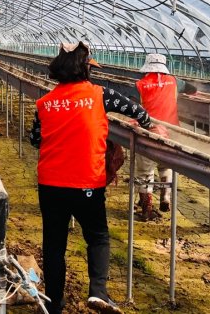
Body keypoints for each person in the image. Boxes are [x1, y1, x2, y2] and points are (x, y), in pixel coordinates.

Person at [29, 41, 152, 314]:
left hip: (51, 183)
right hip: (87, 180)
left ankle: (54, 304)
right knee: (97, 236)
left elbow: (35, 139)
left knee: (54, 244)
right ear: (85, 67)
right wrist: (144, 124)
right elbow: (139, 113)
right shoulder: (101, 95)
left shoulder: (44, 102)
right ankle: (98, 292)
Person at [133, 53, 196, 220]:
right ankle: (165, 197)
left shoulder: (140, 84)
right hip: (170, 132)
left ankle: (146, 209)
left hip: (148, 132)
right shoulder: (175, 82)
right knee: (165, 164)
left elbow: (134, 107)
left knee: (145, 171)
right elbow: (193, 90)